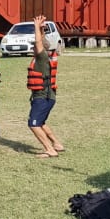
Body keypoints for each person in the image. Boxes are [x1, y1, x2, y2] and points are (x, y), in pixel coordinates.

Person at [27, 15, 64, 158]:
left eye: (34, 47)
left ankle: (49, 149)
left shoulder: (42, 58)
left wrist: (36, 26)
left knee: (33, 124)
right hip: (47, 97)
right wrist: (42, 29)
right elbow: (41, 41)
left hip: (43, 97)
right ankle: (57, 144)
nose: (33, 48)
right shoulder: (45, 57)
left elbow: (38, 42)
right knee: (41, 122)